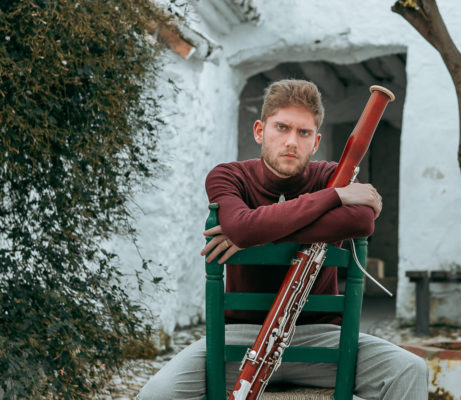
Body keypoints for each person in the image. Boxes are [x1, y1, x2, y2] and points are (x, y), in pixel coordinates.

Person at [137, 79, 427, 400]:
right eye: (282, 128)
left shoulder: (331, 175)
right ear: (260, 131)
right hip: (238, 339)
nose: (291, 141)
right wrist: (332, 198)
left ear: (315, 141)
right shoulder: (228, 176)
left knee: (411, 369)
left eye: (303, 133)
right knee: (157, 393)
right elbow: (241, 227)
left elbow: (360, 220)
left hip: (320, 338)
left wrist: (254, 232)